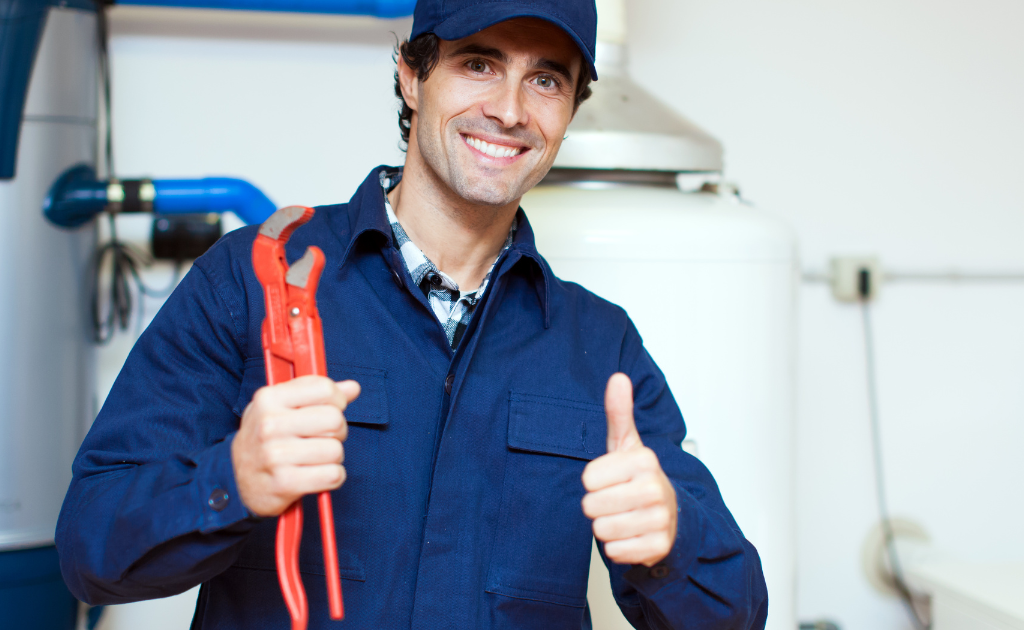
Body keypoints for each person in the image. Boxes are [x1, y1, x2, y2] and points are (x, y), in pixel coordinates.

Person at [56, 0, 769, 627]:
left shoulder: (599, 347)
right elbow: (90, 549)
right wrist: (231, 480)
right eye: (479, 64)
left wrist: (670, 538)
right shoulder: (251, 282)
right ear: (410, 74)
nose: (512, 110)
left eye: (546, 78)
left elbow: (736, 614)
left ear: (572, 107)